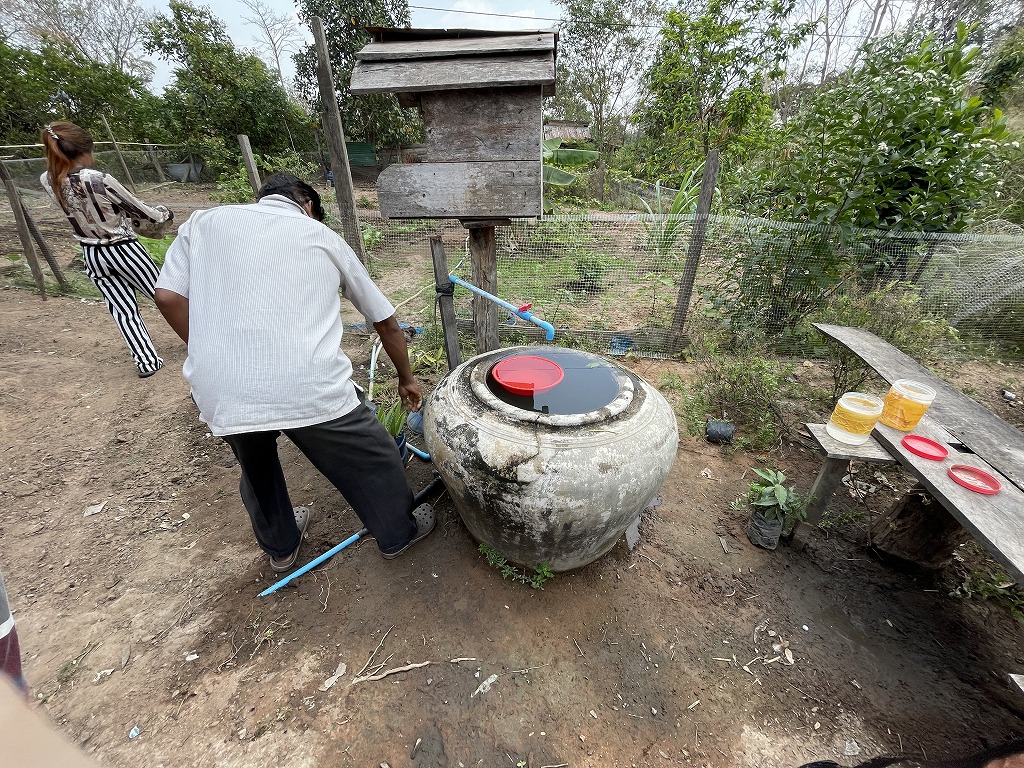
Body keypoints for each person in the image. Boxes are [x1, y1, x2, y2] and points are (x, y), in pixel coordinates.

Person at [154, 173, 434, 571]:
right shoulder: (319, 235)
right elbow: (386, 321)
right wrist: (406, 378)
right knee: (373, 457)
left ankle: (282, 547)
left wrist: (206, 349)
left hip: (221, 386)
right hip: (309, 383)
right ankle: (398, 534)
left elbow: (166, 296)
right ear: (307, 205)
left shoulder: (203, 222)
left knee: (256, 467)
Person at [40, 121, 173, 378]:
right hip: (123, 249)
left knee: (122, 309)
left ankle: (146, 362)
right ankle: (199, 340)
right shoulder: (99, 179)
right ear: (85, 151)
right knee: (164, 296)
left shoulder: (49, 180)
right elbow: (145, 214)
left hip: (90, 253)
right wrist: (165, 212)